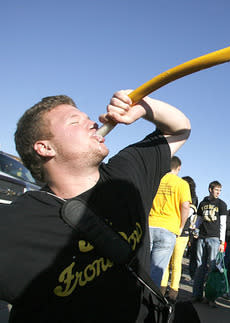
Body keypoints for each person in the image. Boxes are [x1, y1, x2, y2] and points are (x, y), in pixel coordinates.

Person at [0, 90, 190, 322]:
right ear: (45, 147)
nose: (92, 123)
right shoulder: (16, 224)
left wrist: (144, 107)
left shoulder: (127, 173)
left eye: (87, 118)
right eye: (75, 122)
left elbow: (180, 128)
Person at [148, 156, 191, 286]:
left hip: (150, 225)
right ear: (179, 168)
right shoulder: (182, 184)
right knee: (157, 269)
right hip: (168, 228)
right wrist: (181, 226)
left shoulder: (155, 180)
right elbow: (185, 206)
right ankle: (148, 300)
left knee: (143, 266)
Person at [160, 175, 198, 302]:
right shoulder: (177, 194)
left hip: (182, 234)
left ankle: (173, 291)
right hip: (170, 230)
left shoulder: (193, 198)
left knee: (176, 262)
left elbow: (187, 214)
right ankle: (162, 288)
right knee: (166, 262)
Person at [192, 180, 228, 307]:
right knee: (199, 266)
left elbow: (223, 225)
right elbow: (199, 220)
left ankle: (210, 297)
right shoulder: (202, 203)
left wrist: (222, 242)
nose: (218, 192)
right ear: (210, 189)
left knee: (213, 268)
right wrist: (195, 230)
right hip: (202, 237)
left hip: (214, 238)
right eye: (216, 190)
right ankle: (196, 295)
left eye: (220, 190)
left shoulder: (222, 204)